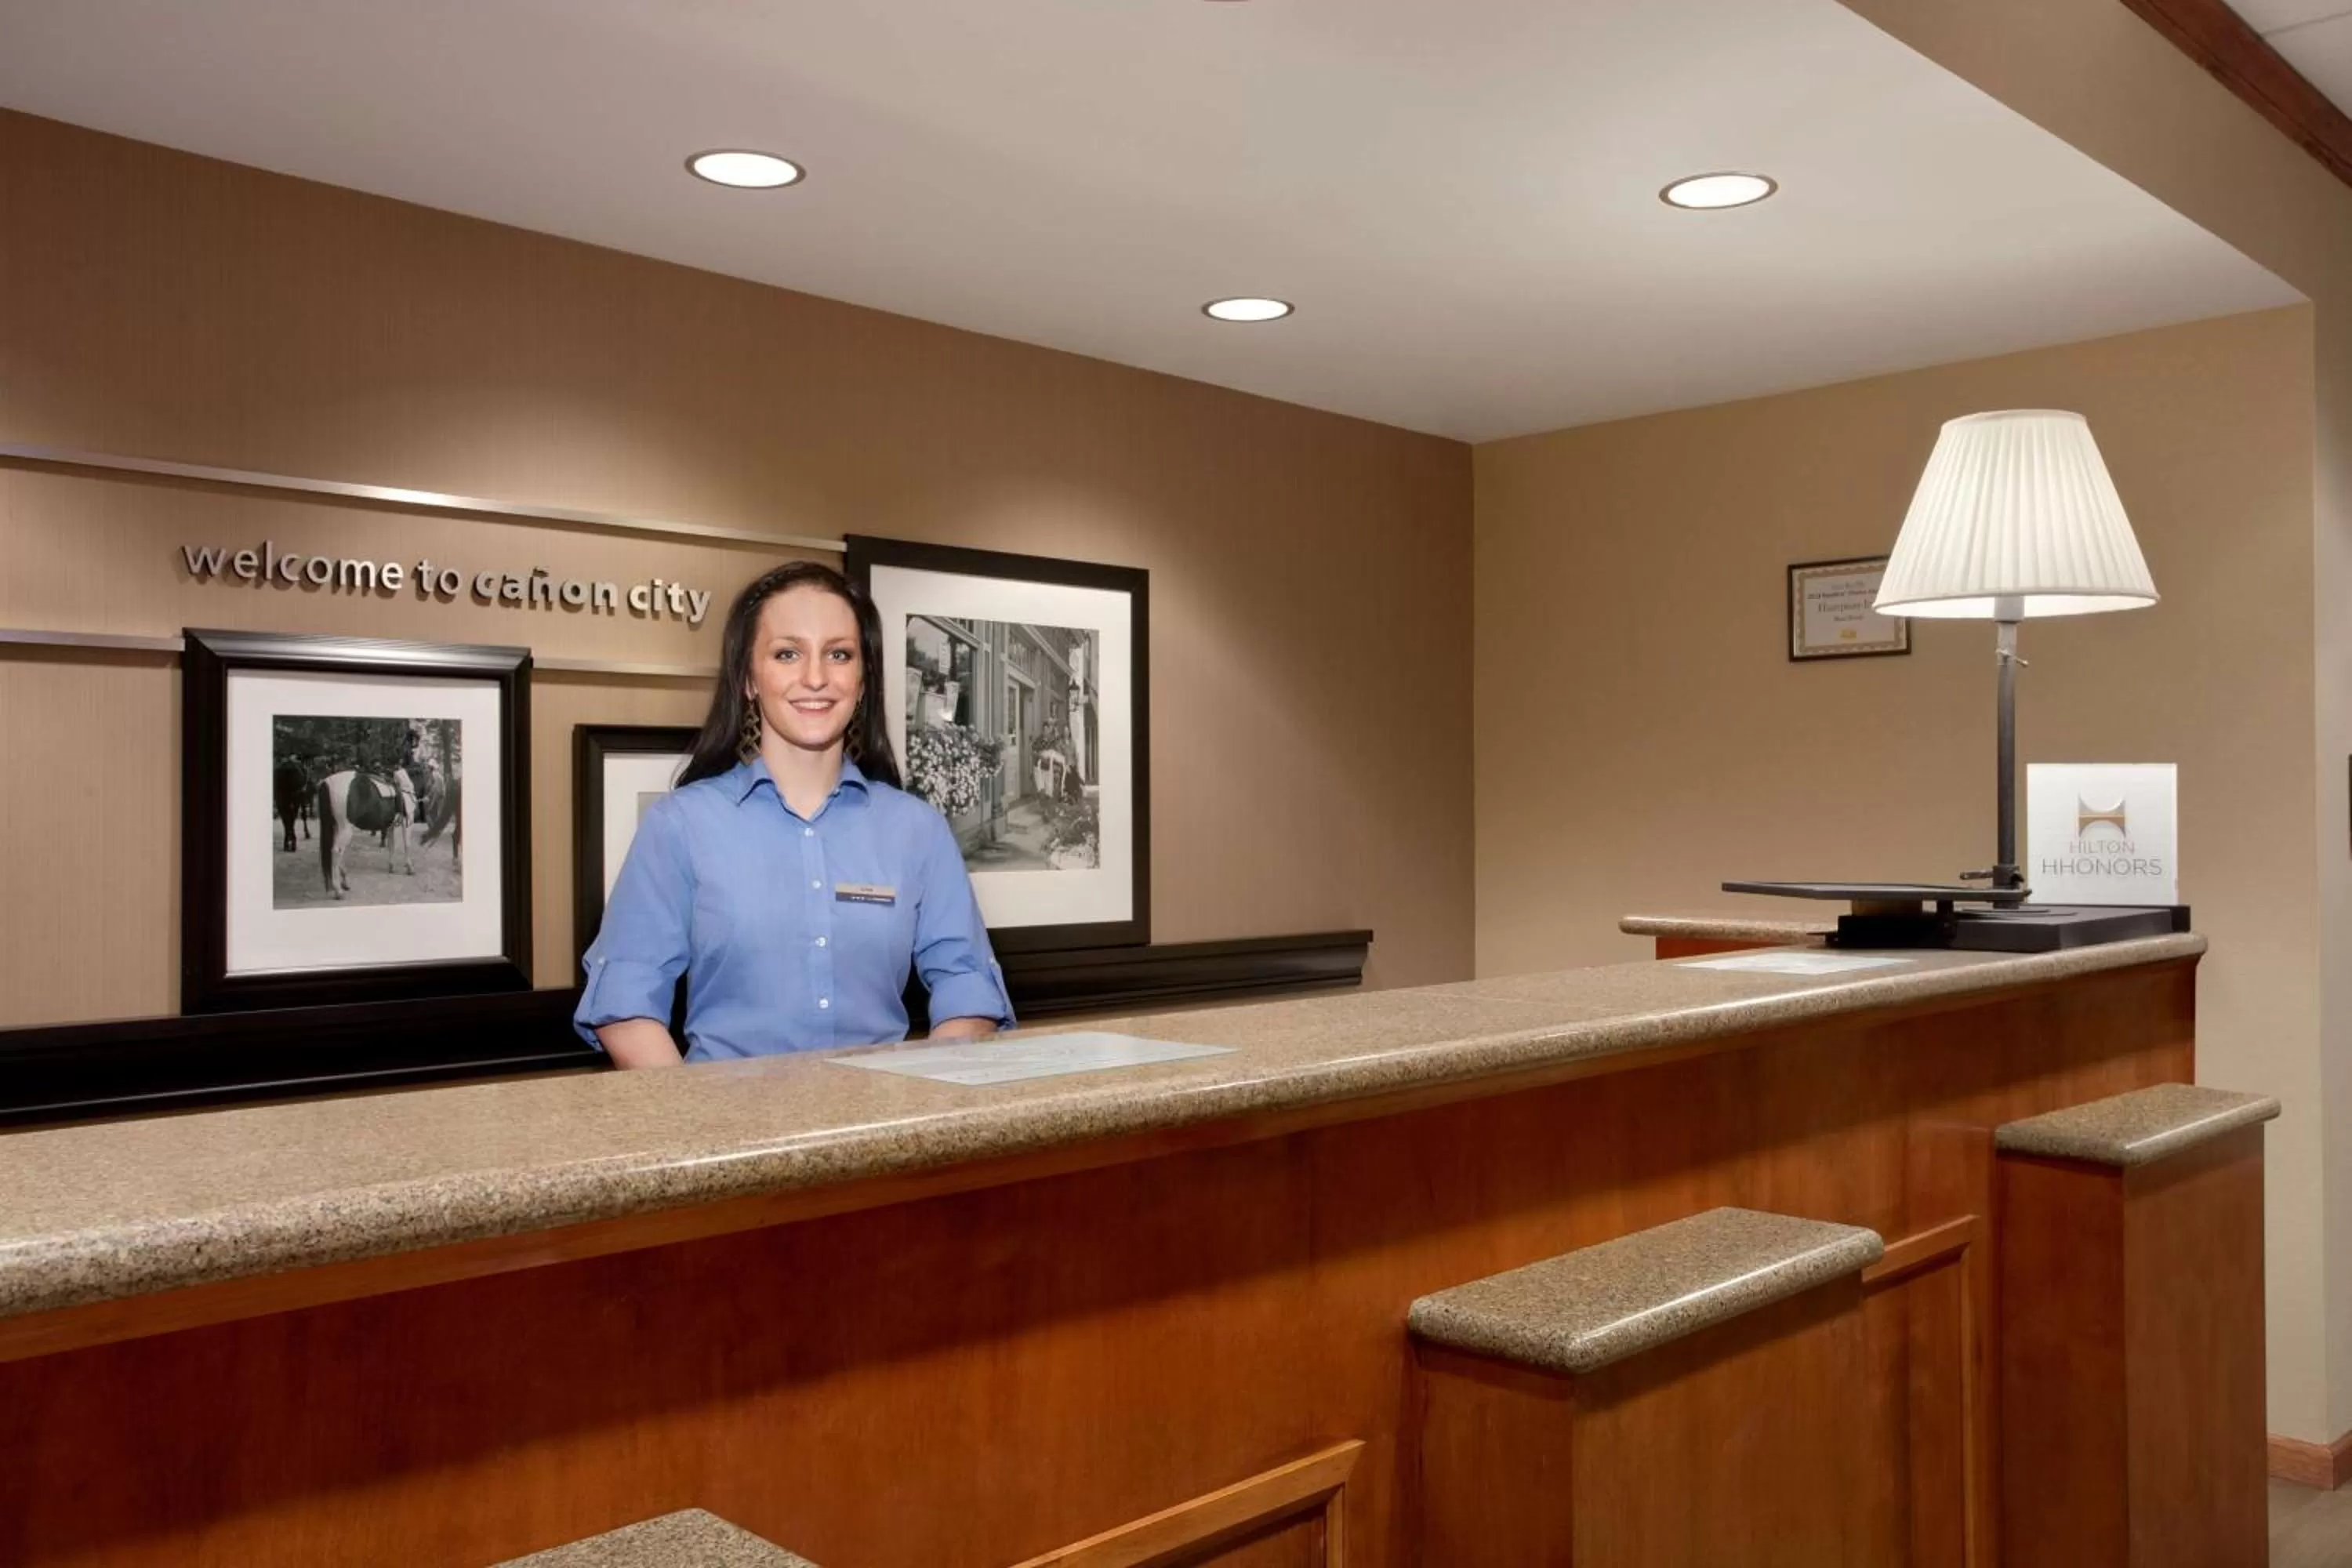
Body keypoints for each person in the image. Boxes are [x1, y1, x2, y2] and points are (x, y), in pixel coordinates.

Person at [576, 561, 1014, 1068]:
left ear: (863, 679)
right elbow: (625, 1005)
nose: (816, 678)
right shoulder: (680, 826)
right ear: (749, 680)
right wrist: (705, 1130)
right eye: (788, 654)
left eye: (839, 654)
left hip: (883, 1133)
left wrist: (917, 1105)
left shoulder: (917, 830)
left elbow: (969, 986)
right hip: (730, 1135)